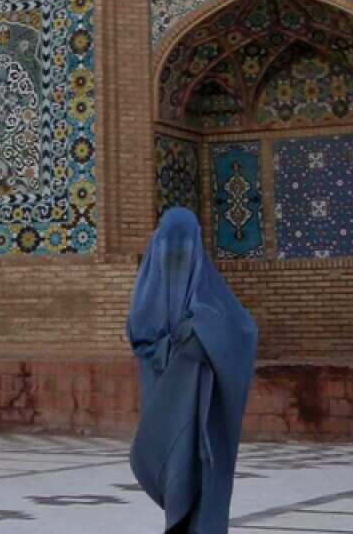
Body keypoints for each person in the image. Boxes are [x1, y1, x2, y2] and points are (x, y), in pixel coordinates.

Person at [127, 207, 259, 533]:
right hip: (163, 401)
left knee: (201, 474)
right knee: (171, 471)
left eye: (183, 249)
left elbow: (242, 331)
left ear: (196, 249)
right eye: (169, 248)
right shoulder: (146, 296)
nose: (175, 256)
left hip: (203, 408)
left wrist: (200, 332)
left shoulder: (210, 295)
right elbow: (141, 336)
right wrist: (172, 349)